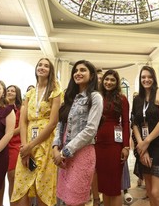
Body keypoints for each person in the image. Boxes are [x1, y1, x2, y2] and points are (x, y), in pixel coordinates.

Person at [11, 58, 62, 206]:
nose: (42, 67)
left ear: (50, 71)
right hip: (27, 139)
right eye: (40, 65)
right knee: (22, 185)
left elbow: (53, 123)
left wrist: (31, 145)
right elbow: (23, 121)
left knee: (42, 185)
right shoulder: (30, 93)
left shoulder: (55, 92)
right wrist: (25, 146)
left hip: (45, 141)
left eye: (46, 66)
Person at [52, 60, 103, 206]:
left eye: (83, 70)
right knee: (65, 199)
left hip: (82, 153)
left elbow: (91, 129)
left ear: (92, 75)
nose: (78, 73)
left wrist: (65, 152)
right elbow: (60, 124)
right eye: (76, 70)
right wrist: (56, 148)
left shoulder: (95, 97)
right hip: (63, 154)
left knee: (76, 201)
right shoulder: (69, 97)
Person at [131, 65, 159, 206]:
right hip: (144, 146)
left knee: (157, 192)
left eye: (149, 77)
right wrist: (142, 147)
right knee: (149, 190)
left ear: (154, 78)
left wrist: (146, 141)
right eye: (143, 77)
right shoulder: (137, 99)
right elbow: (134, 123)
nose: (146, 79)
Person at [95, 69, 130, 206]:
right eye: (106, 79)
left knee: (114, 186)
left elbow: (126, 122)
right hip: (98, 143)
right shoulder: (97, 97)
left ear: (117, 83)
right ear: (102, 81)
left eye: (112, 80)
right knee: (103, 185)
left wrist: (126, 146)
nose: (109, 82)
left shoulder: (122, 99)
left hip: (115, 144)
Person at [0, 85, 23, 205]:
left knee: (12, 175)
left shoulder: (21, 108)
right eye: (8, 90)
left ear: (17, 93)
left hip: (14, 143)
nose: (10, 92)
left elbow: (21, 127)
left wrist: (8, 134)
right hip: (0, 143)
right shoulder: (1, 107)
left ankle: (12, 203)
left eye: (13, 91)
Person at [91, 68, 103, 206]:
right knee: (93, 169)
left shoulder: (107, 96)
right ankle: (95, 198)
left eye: (102, 78)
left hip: (105, 138)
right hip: (91, 137)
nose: (100, 81)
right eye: (98, 79)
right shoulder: (91, 95)